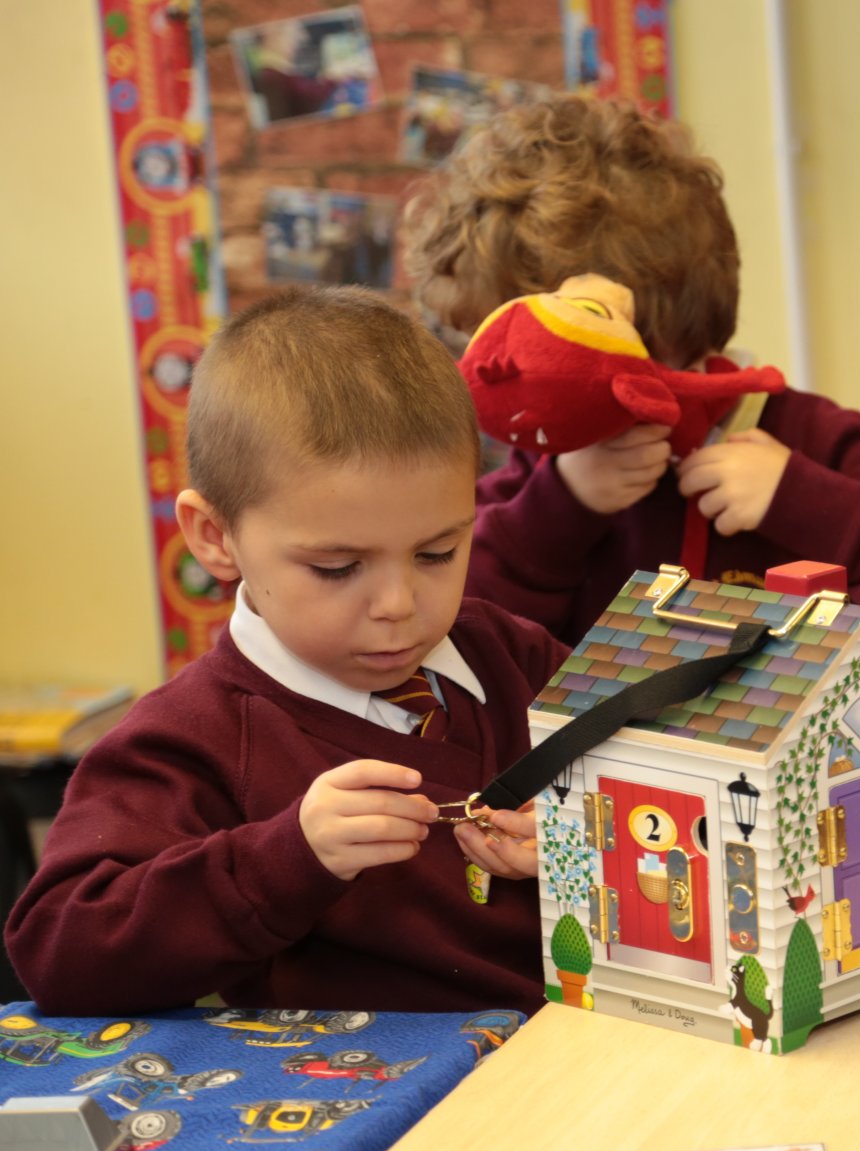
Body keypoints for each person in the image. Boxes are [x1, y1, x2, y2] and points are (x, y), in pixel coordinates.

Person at [7, 289, 568, 1015]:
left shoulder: (513, 657)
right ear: (215, 536)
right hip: (384, 1112)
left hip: (577, 1063)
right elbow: (58, 948)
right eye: (337, 568)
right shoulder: (187, 737)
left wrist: (572, 848)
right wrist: (285, 858)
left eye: (437, 552)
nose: (398, 603)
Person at [403, 94, 860, 654]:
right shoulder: (545, 474)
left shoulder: (801, 437)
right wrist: (562, 507)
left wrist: (799, 498)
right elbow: (447, 638)